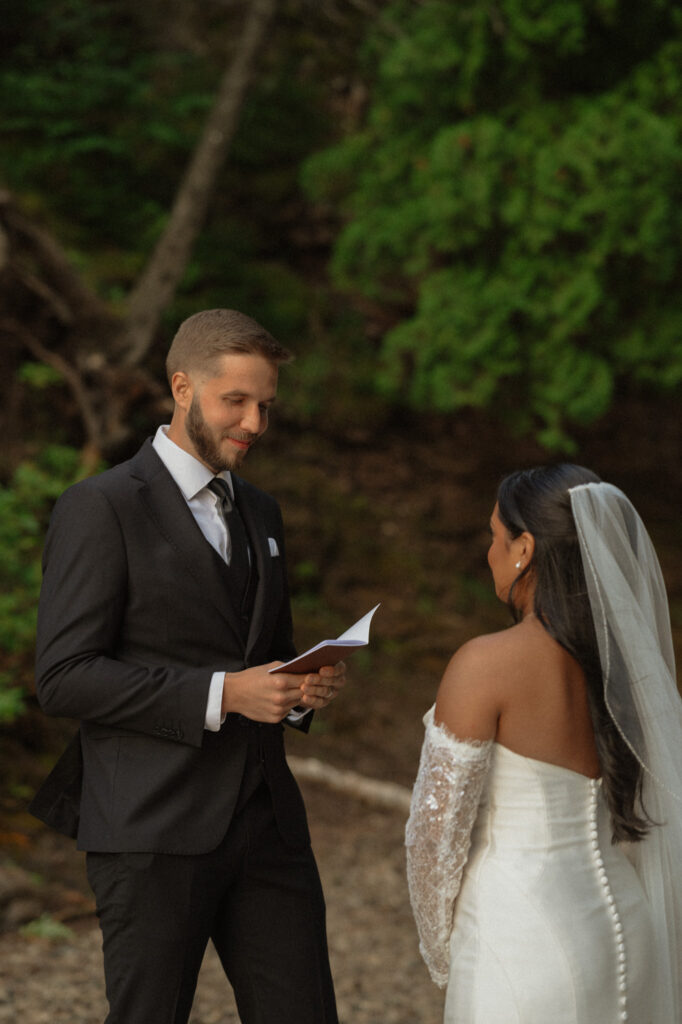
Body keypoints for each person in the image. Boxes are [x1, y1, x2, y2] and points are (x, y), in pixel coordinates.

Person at [30, 308, 346, 1024]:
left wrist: (302, 687)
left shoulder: (261, 512)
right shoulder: (100, 507)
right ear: (182, 388)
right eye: (236, 400)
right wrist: (224, 694)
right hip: (150, 827)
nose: (255, 423)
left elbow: (265, 656)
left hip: (267, 824)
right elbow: (64, 675)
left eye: (266, 405)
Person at [405, 464, 682, 1023]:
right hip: (630, 929)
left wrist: (446, 956)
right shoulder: (628, 673)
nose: (489, 551)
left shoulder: (484, 664)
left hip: (523, 939)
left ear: (524, 549)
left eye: (494, 535)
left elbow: (434, 838)